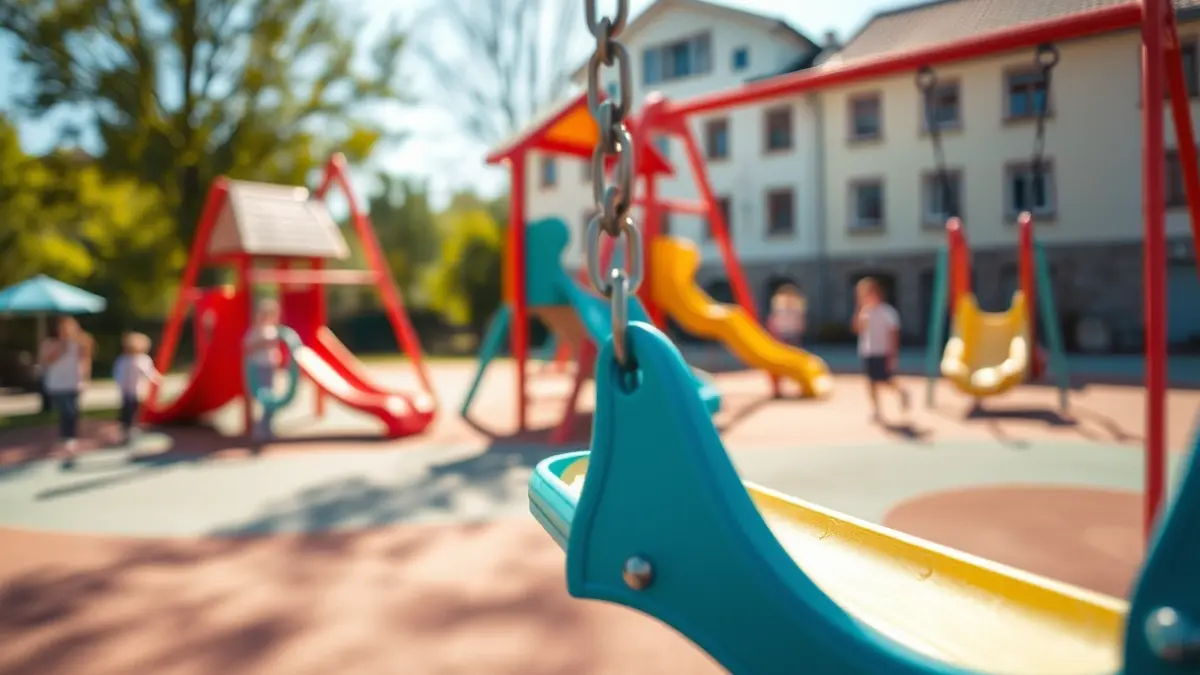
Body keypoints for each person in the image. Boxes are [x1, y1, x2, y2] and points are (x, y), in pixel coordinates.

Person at [38, 316, 94, 468]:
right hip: (57, 384)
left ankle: (71, 439)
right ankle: (66, 438)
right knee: (66, 411)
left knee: (74, 411)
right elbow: (47, 360)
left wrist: (85, 378)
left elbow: (86, 360)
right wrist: (62, 346)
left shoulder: (80, 343)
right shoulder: (50, 343)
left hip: (74, 382)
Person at [852, 277, 910, 422]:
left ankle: (902, 392)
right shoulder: (864, 312)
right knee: (870, 382)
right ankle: (876, 410)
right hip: (868, 351)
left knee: (886, 380)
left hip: (883, 351)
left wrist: (893, 355)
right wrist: (858, 310)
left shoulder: (888, 312)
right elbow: (857, 330)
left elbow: (894, 334)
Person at [243, 298, 283, 440]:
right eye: (265, 314)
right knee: (264, 397)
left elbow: (274, 349)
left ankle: (266, 426)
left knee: (271, 397)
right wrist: (263, 343)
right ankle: (260, 428)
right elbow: (247, 346)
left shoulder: (272, 330)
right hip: (260, 367)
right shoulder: (256, 331)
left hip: (270, 367)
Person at [113, 332, 162, 445]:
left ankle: (131, 427)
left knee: (135, 408)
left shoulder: (143, 359)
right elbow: (118, 373)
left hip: (138, 389)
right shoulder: (124, 360)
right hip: (127, 389)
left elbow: (149, 371)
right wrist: (121, 384)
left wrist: (156, 379)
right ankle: (126, 426)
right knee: (127, 408)